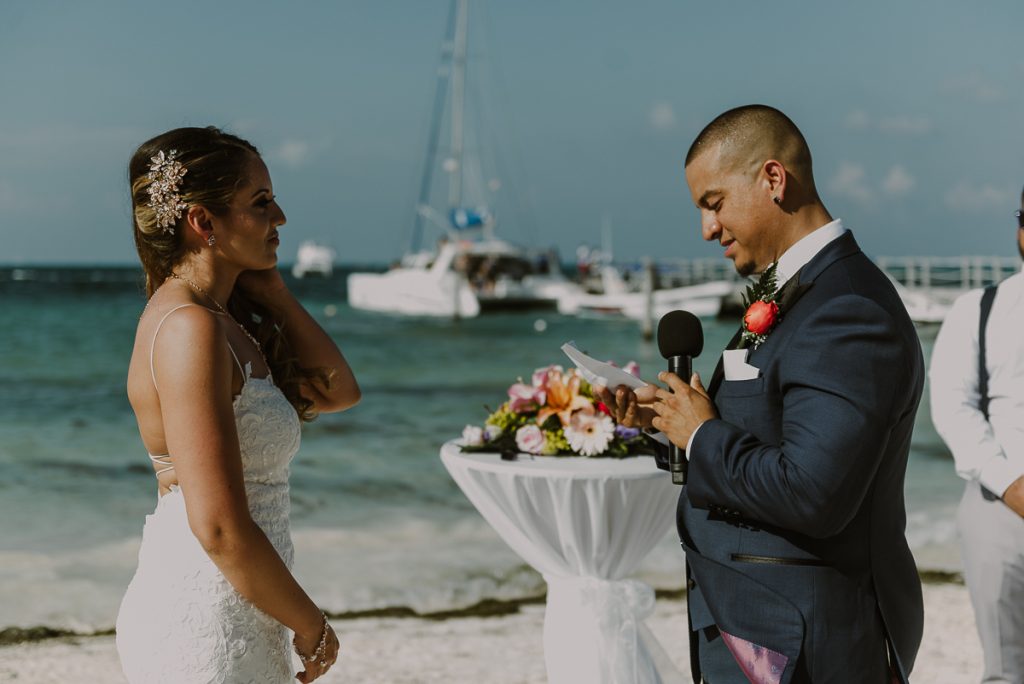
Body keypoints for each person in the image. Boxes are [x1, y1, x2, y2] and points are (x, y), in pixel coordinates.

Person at [601, 105, 924, 682]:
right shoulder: (796, 291)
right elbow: (764, 434)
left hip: (803, 646)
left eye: (714, 202)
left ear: (773, 179)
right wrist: (670, 424)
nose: (707, 229)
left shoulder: (847, 308)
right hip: (756, 630)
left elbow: (813, 494)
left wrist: (702, 433)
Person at [115, 126, 361, 684]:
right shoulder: (188, 329)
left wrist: (273, 293)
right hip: (204, 619)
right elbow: (219, 525)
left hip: (243, 607)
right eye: (261, 202)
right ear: (204, 222)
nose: (281, 217)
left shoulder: (221, 321)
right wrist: (312, 625)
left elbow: (338, 391)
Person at [930, 191, 1024, 683]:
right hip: (999, 506)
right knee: (1008, 669)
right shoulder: (979, 309)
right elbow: (952, 407)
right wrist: (1012, 484)